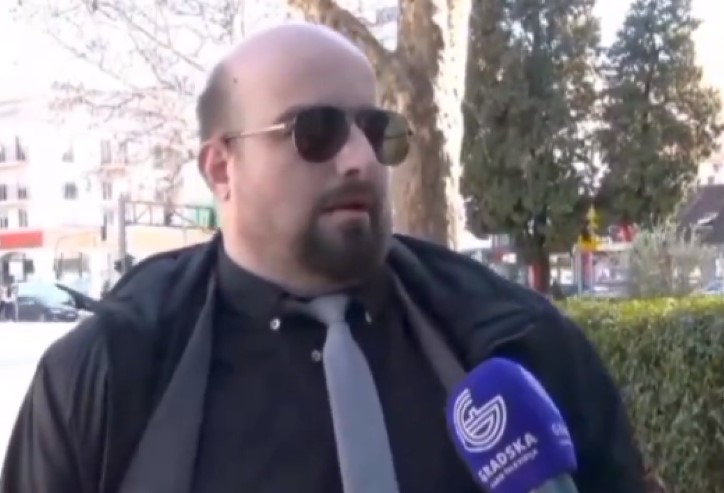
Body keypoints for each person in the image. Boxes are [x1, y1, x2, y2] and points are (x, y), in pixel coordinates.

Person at [0, 22, 646, 493]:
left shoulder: (518, 342)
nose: (360, 158)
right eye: (315, 131)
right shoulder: (107, 375)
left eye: (375, 129)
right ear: (221, 168)